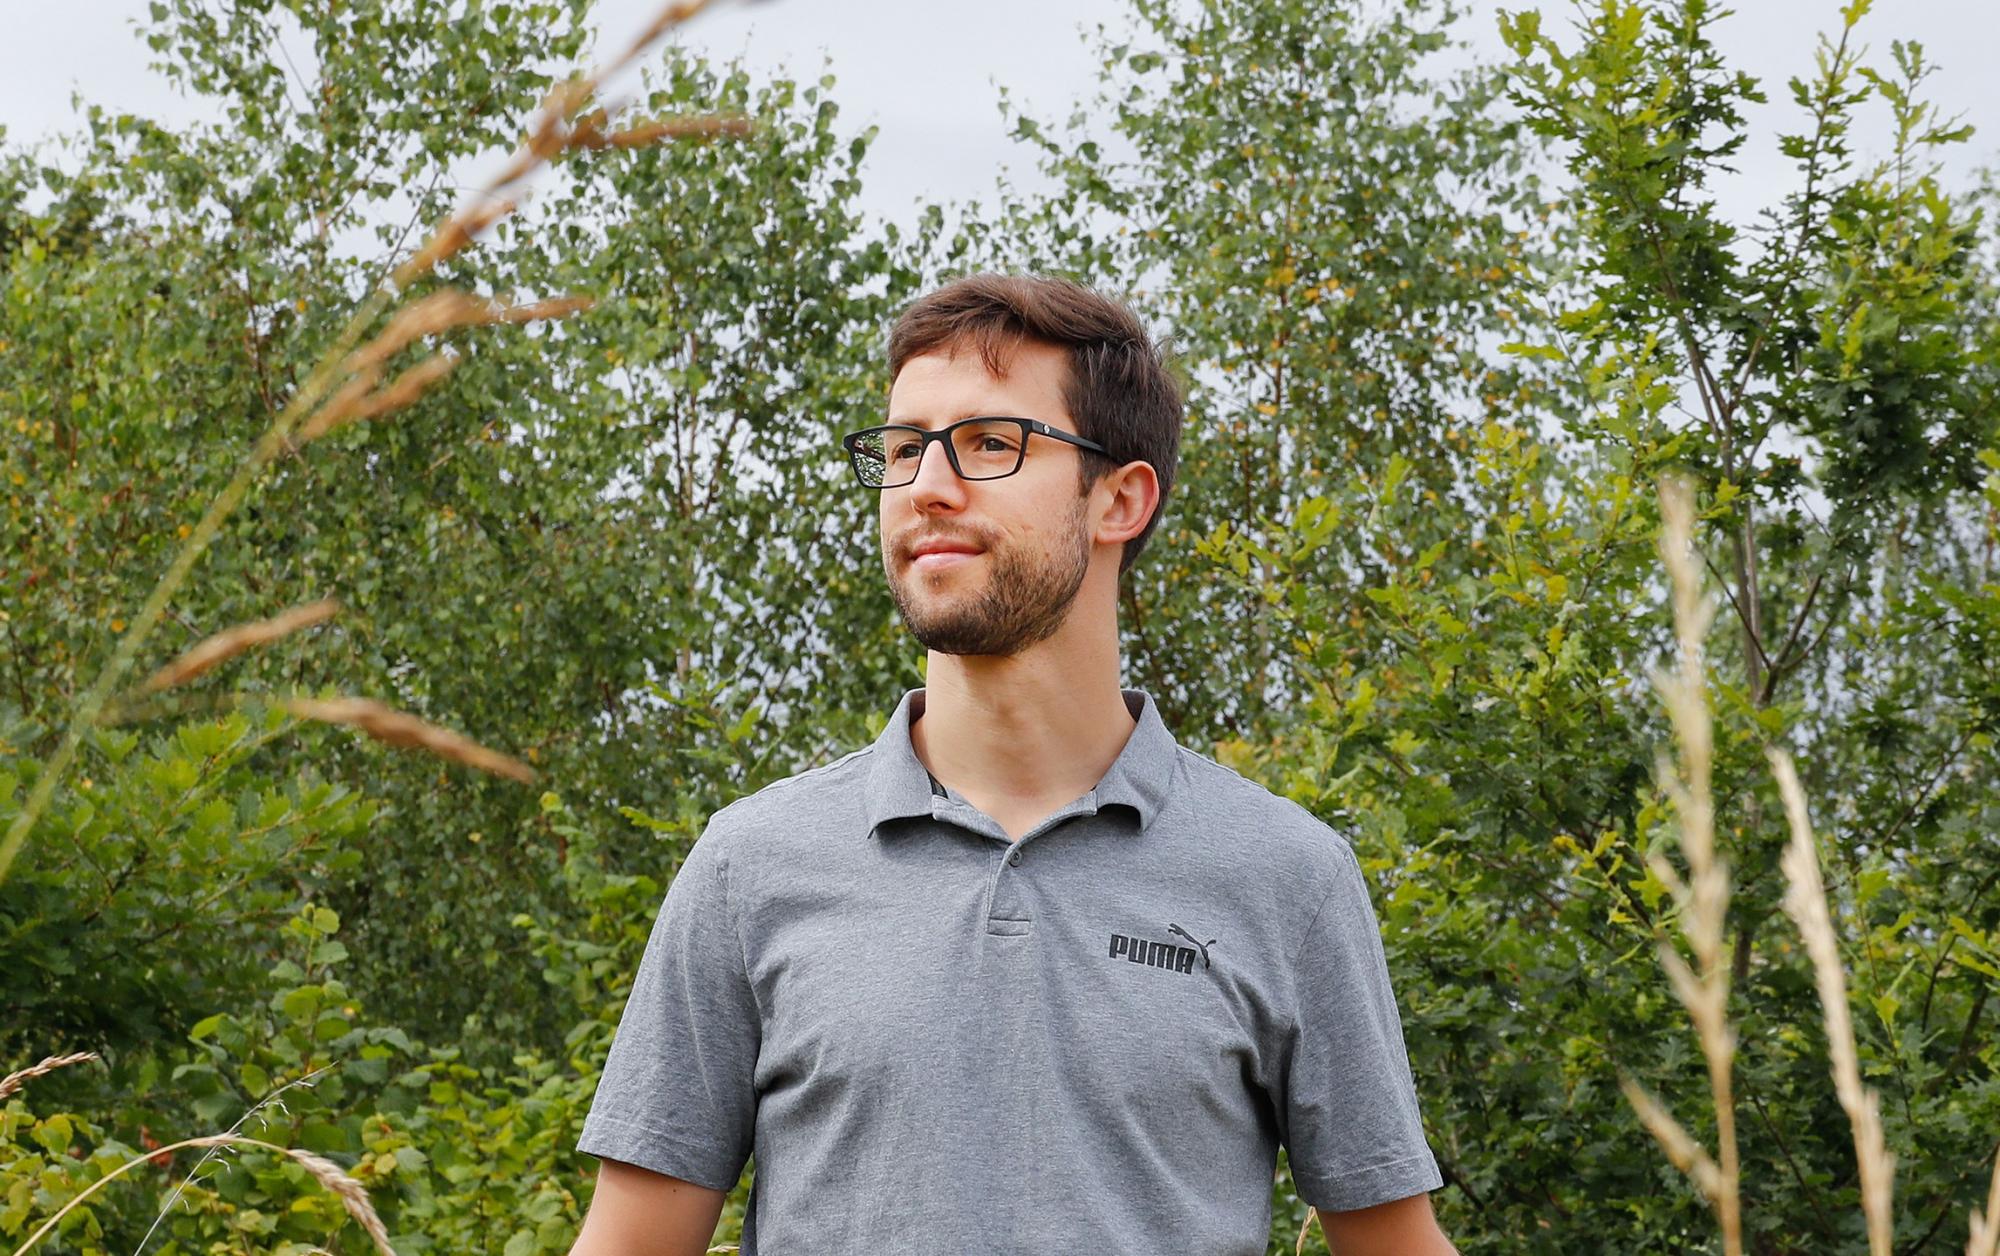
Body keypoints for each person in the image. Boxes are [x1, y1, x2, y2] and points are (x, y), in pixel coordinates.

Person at [567, 273, 1454, 1255]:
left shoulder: (1284, 874)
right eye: (903, 447)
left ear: (1119, 498)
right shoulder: (751, 867)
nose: (927, 485)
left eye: (990, 443)